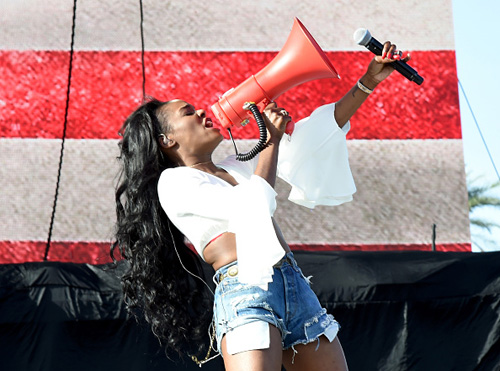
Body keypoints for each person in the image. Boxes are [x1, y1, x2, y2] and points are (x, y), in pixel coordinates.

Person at [112, 41, 409, 371]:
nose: (201, 111)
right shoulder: (175, 183)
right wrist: (269, 141)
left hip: (293, 284)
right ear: (167, 140)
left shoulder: (233, 166)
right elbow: (253, 206)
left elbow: (313, 138)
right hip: (245, 290)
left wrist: (367, 82)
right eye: (187, 112)